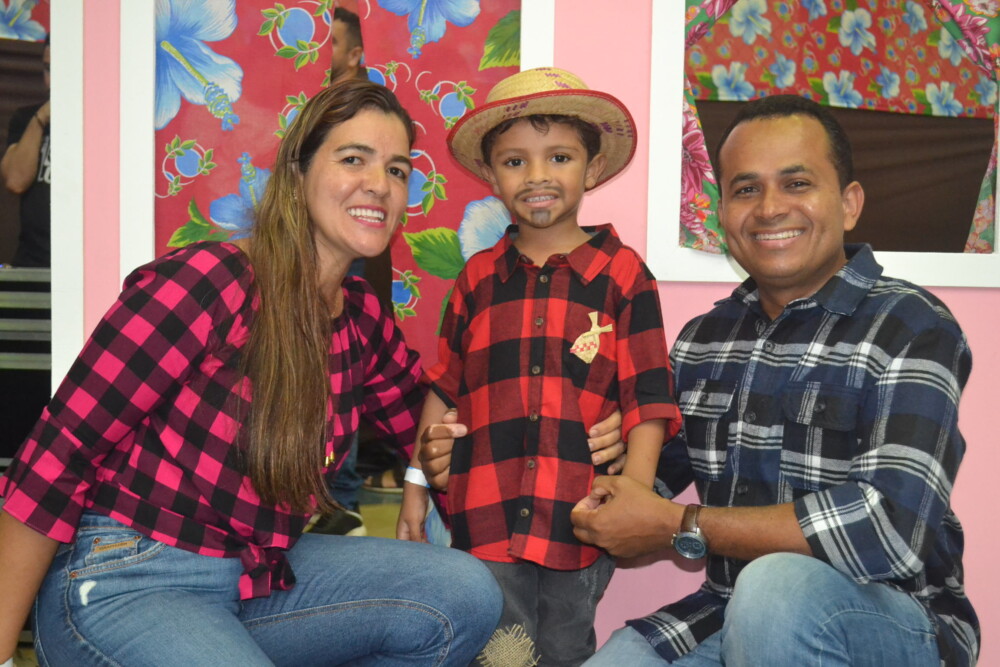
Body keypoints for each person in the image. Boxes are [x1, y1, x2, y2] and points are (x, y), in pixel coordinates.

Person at [0, 79, 502, 666]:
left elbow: (428, 417)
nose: (379, 184)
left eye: (397, 170)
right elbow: (55, 458)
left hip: (255, 576)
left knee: (461, 594)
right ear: (297, 173)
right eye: (353, 159)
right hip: (124, 576)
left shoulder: (361, 317)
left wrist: (442, 460)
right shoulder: (208, 281)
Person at [570, 94, 980, 666]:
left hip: (897, 617)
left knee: (775, 589)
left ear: (849, 203)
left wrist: (682, 524)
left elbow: (888, 530)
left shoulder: (913, 325)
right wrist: (549, 448)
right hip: (725, 607)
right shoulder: (701, 339)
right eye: (745, 189)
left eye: (796, 184)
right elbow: (642, 489)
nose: (768, 209)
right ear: (722, 213)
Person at [398, 67, 682, 666]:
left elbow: (649, 396)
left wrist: (633, 493)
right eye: (515, 161)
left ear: (592, 169)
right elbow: (445, 387)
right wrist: (415, 487)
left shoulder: (624, 275)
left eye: (559, 157)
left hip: (578, 518)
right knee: (497, 652)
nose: (537, 176)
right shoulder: (477, 278)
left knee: (562, 649)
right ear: (492, 176)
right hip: (485, 511)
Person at [1, 35, 50, 267]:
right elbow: (16, 182)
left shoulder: (100, 120)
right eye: (48, 69)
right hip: (33, 263)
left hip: (85, 263)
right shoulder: (26, 118)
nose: (52, 80)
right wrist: (40, 118)